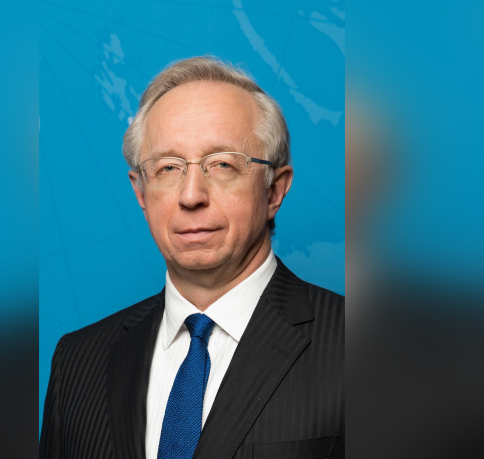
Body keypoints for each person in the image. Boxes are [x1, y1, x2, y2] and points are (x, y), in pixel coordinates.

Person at [39, 56, 344, 459]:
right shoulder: (77, 362)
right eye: (168, 168)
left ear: (274, 190)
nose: (190, 195)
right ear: (141, 192)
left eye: (222, 165)